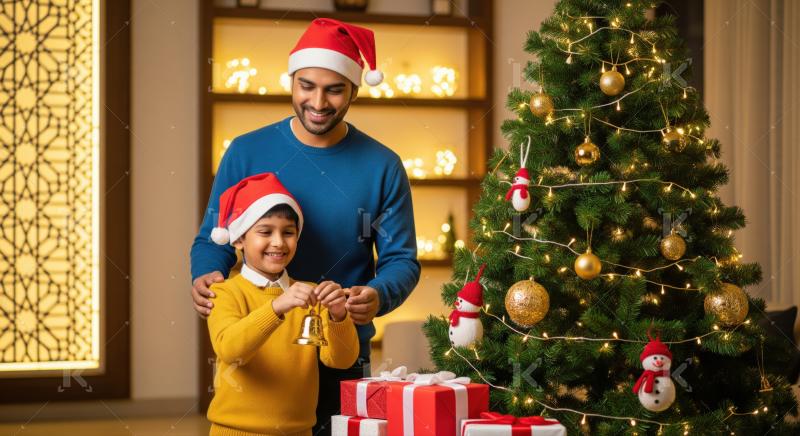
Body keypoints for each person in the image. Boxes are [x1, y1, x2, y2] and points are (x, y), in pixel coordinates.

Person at [190, 18, 421, 434]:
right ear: (291, 81)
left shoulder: (382, 166)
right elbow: (214, 237)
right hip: (263, 344)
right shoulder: (245, 151)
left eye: (334, 89)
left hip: (341, 345)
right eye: (307, 86)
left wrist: (378, 294)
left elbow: (401, 259)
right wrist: (205, 271)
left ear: (354, 90)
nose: (318, 101)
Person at [205, 172, 359, 436]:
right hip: (234, 431)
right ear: (239, 239)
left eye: (288, 232)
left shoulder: (311, 294)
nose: (278, 242)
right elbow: (231, 351)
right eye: (265, 232)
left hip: (299, 431)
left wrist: (338, 316)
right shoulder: (224, 292)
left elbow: (341, 361)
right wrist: (277, 307)